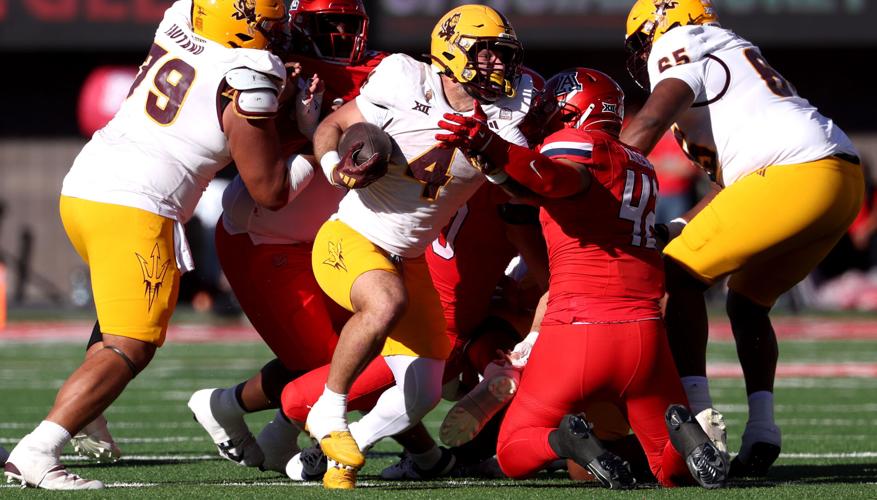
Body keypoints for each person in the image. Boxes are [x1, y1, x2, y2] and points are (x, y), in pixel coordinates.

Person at [3, 0, 296, 490]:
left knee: (121, 322)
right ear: (246, 26)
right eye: (270, 20)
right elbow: (270, 190)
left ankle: (86, 411)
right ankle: (36, 452)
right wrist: (309, 137)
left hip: (85, 186)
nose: (279, 29)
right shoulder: (249, 73)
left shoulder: (181, 16)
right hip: (139, 205)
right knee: (131, 345)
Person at [436, 67, 729, 489]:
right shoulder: (641, 164)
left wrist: (492, 147)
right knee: (668, 469)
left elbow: (554, 178)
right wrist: (497, 162)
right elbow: (537, 187)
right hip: (645, 338)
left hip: (578, 332)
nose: (544, 117)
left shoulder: (573, 145)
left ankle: (565, 441)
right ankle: (684, 434)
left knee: (514, 449)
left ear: (576, 108)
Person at [621, 0, 864, 477]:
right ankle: (763, 430)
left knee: (675, 274)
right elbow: (734, 189)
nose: (643, 52)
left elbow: (646, 125)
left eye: (642, 40)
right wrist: (675, 226)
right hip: (839, 178)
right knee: (747, 301)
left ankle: (701, 422)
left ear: (658, 27)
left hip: (797, 173)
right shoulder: (730, 53)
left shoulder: (679, 42)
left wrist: (596, 174)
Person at [302, 3, 533, 489]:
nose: (499, 66)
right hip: (351, 237)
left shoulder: (506, 109)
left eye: (503, 55)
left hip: (408, 258)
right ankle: (329, 408)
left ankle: (340, 460)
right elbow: (333, 126)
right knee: (386, 302)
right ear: (452, 52)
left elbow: (522, 187)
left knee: (424, 388)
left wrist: (490, 154)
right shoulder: (404, 79)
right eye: (488, 54)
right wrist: (332, 169)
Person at [186, 0, 390, 474]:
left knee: (362, 351)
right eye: (326, 23)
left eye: (347, 22)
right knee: (338, 366)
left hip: (326, 238)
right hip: (264, 237)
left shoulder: (382, 72)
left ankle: (250, 419)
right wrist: (313, 128)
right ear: (297, 25)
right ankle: (237, 410)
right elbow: (267, 172)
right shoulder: (273, 72)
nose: (339, 32)